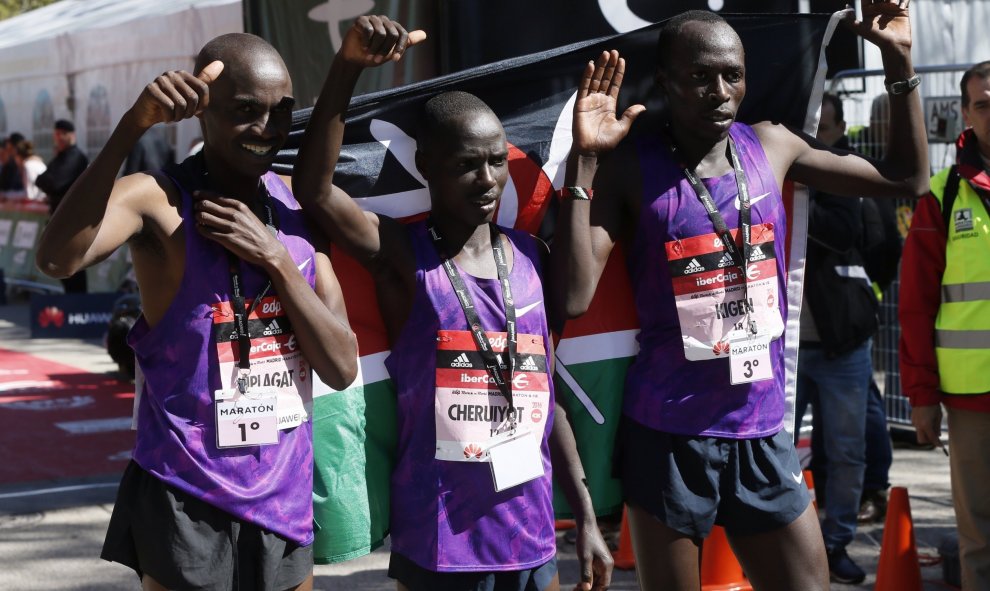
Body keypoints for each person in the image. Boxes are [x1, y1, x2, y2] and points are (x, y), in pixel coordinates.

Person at [553, 4, 927, 590]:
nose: (720, 92)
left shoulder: (773, 145)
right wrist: (586, 162)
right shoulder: (632, 168)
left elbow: (907, 179)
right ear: (667, 82)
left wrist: (898, 60)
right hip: (669, 436)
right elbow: (574, 295)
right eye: (700, 76)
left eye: (732, 74)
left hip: (760, 433)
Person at [292, 15, 612, 591]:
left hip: (533, 539)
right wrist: (347, 70)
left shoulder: (532, 257)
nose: (487, 179)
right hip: (441, 545)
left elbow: (548, 395)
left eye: (494, 161)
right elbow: (314, 190)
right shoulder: (402, 257)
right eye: (466, 164)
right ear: (426, 167)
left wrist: (586, 517)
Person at [35, 32, 358, 591]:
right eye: (245, 111)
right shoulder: (156, 199)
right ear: (203, 111)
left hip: (282, 497)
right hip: (185, 494)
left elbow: (341, 365)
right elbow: (58, 258)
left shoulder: (295, 205)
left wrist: (276, 260)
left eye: (281, 113)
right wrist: (132, 127)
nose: (267, 130)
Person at [900, 60, 990, 591]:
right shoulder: (941, 193)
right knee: (979, 535)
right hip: (971, 396)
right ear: (965, 113)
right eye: (983, 104)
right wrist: (921, 394)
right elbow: (915, 305)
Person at [793, 92, 878, 584]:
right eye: (811, 128)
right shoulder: (769, 168)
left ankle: (837, 542)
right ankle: (785, 541)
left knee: (847, 450)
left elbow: (849, 234)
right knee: (775, 449)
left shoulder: (844, 170)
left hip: (843, 341)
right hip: (786, 348)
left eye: (825, 129)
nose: (818, 139)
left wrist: (799, 193)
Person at [36, 119, 90, 293]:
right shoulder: (61, 156)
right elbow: (41, 179)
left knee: (72, 268)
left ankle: (77, 306)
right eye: (56, 135)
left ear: (70, 135)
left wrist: (51, 188)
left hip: (72, 222)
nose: (57, 139)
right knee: (60, 266)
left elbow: (54, 183)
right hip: (59, 219)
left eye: (61, 135)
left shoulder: (75, 157)